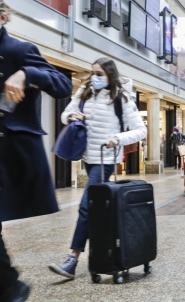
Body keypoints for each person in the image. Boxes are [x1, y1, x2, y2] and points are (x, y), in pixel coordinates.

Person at [0, 0, 72, 301]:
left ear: (3, 17)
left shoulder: (19, 51)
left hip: (9, 152)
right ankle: (11, 286)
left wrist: (27, 74)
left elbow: (62, 84)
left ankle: (11, 287)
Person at [49, 57, 147, 280]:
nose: (95, 78)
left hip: (106, 157)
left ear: (110, 76)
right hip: (87, 154)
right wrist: (71, 116)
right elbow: (66, 114)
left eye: (100, 74)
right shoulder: (85, 90)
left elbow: (142, 131)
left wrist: (117, 138)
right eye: (93, 73)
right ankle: (101, 254)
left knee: (87, 205)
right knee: (95, 208)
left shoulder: (121, 97)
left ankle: (72, 260)